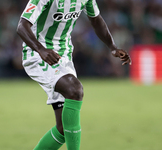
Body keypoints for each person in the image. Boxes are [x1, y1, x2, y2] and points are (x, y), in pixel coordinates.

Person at [17, 0, 131, 149]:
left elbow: (96, 19)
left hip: (63, 56)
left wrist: (112, 46)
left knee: (63, 130)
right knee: (74, 90)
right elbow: (22, 26)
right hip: (38, 53)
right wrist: (41, 49)